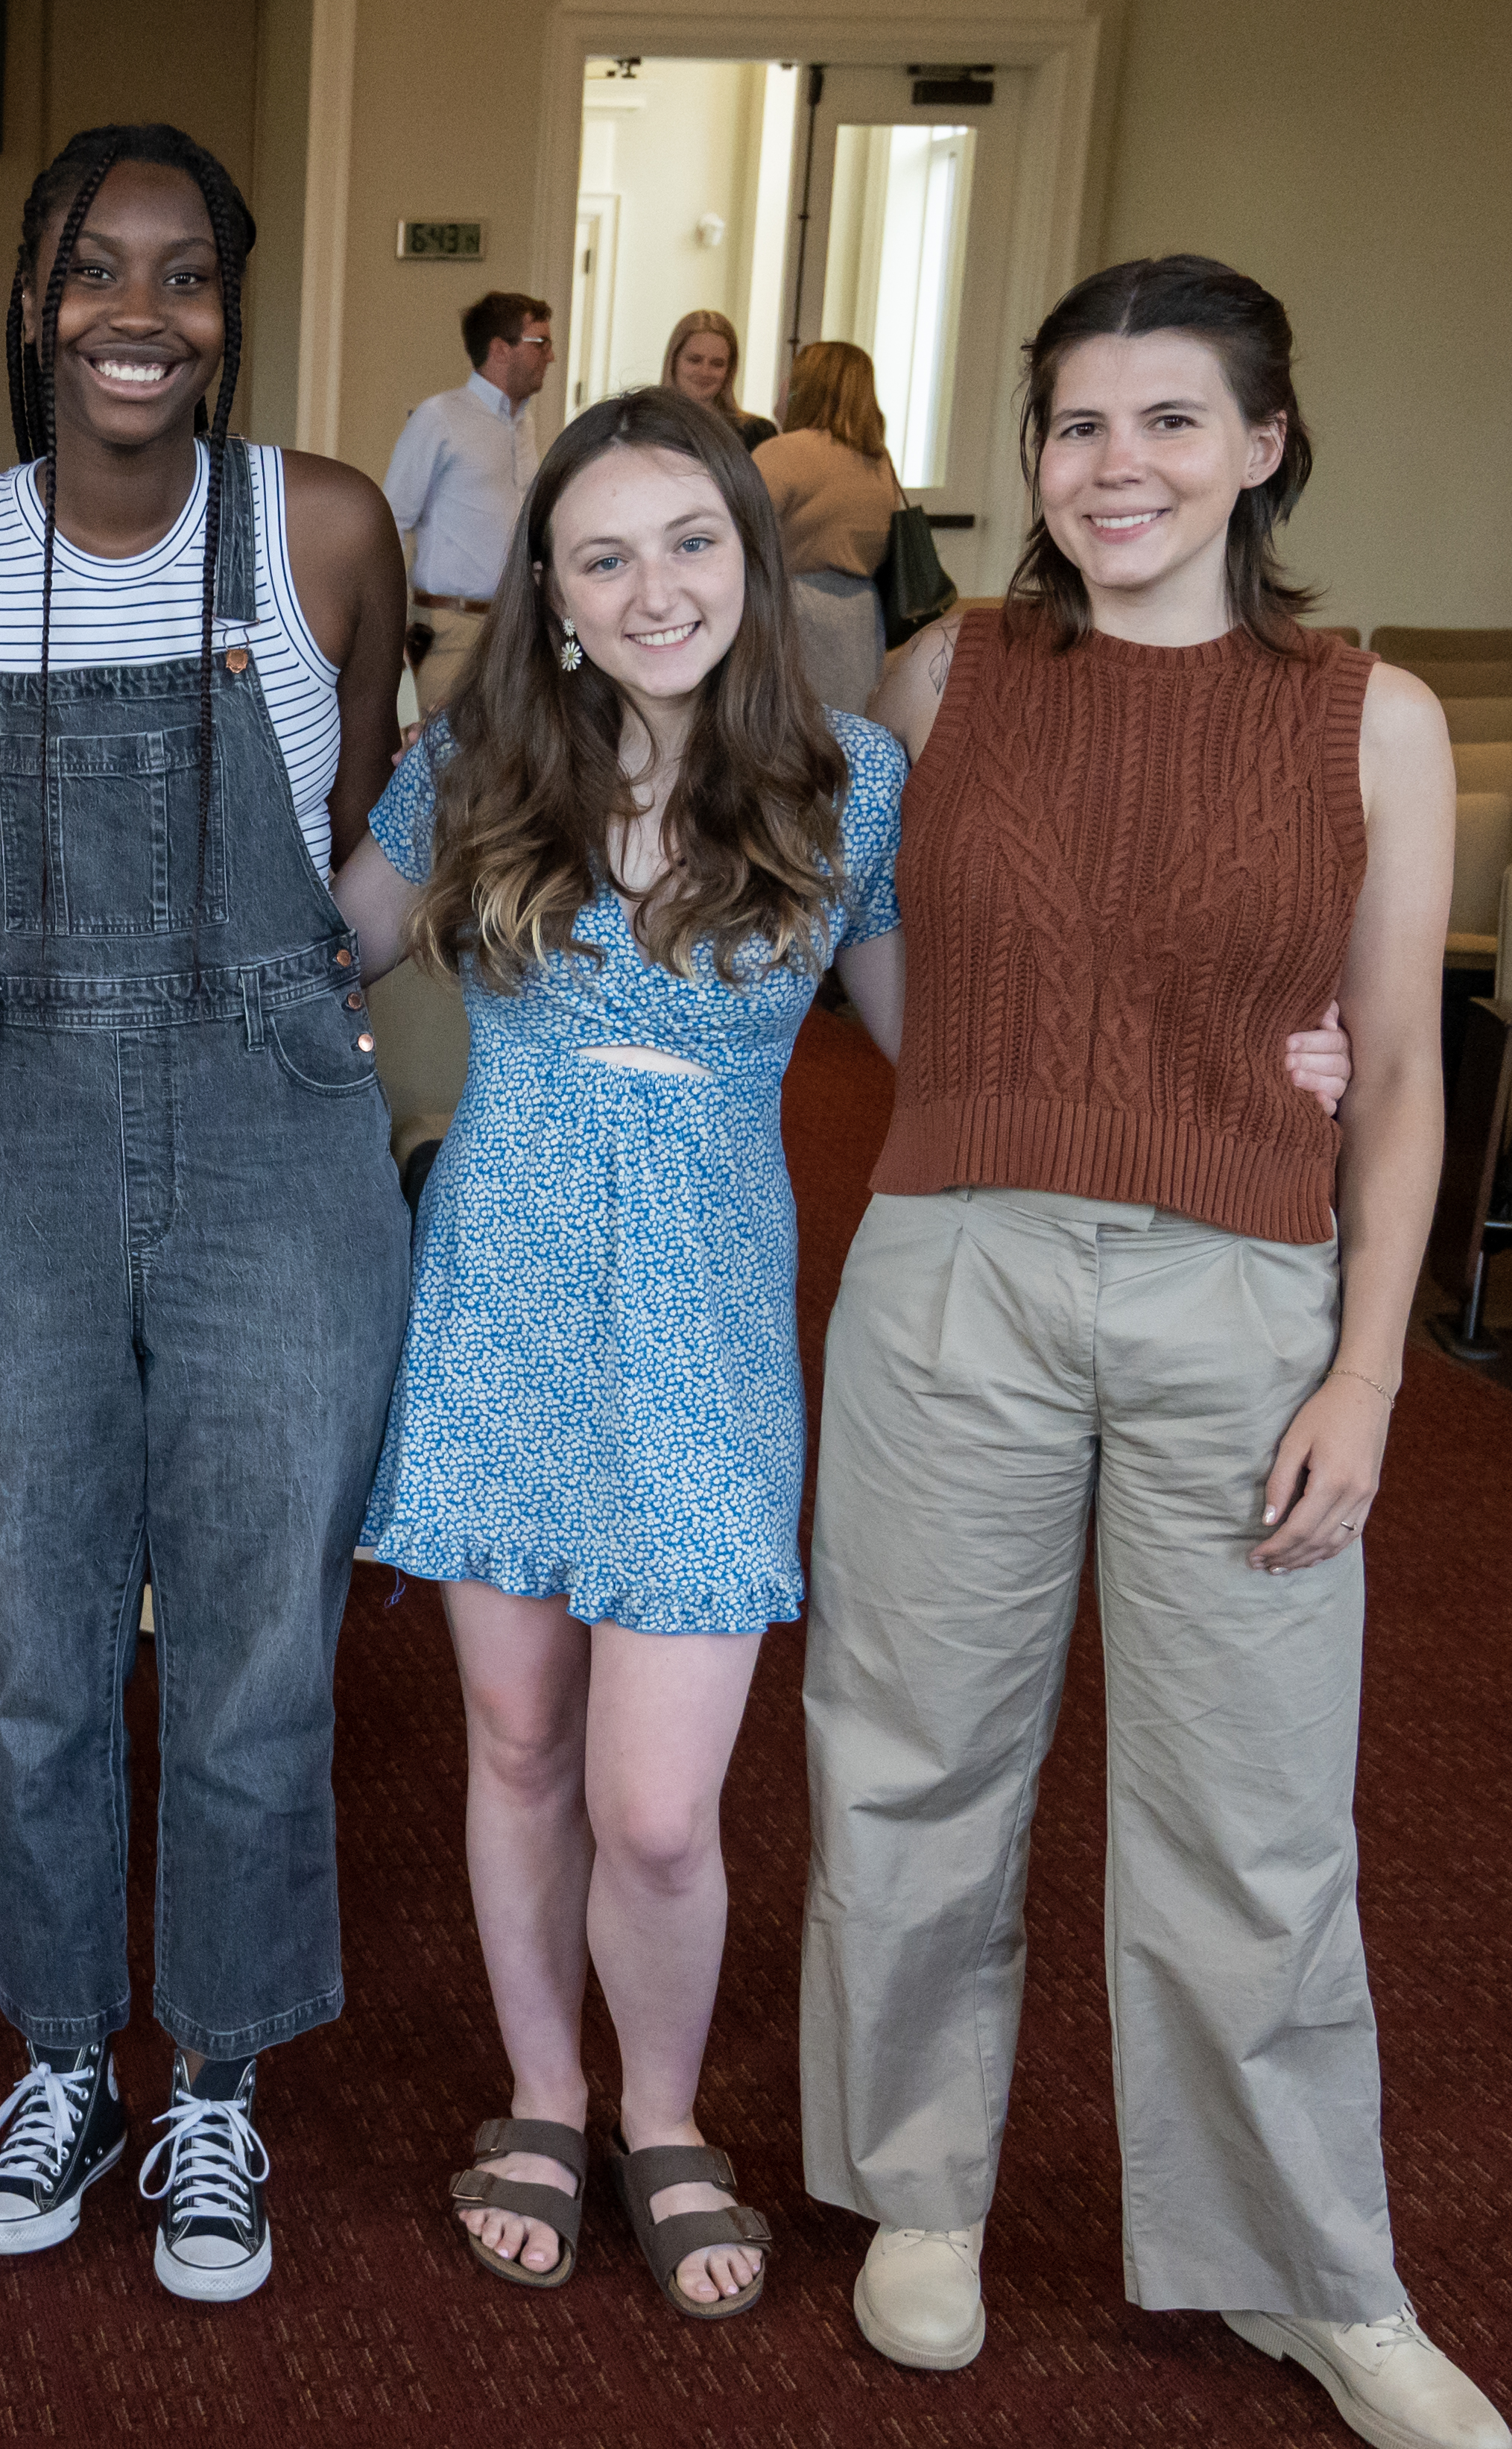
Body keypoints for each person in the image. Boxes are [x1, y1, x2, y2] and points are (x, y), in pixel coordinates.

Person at [345, 391, 1364, 2318]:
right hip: (495, 1300)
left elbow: (971, 1032)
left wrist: (1264, 1057)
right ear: (549, 597)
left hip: (709, 1324)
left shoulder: (844, 789)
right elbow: (318, 957)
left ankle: (663, 2114)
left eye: (687, 545)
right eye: (601, 555)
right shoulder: (467, 761)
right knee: (512, 1743)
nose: (652, 589)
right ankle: (542, 2097)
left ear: (747, 562)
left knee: (654, 1806)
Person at [801, 255, 1512, 2449]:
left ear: (1265, 445)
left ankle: (1312, 2260)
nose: (1119, 466)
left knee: (1256, 1804)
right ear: (1031, 458)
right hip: (956, 1269)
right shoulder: (937, 677)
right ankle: (923, 2183)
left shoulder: (1371, 714)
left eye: (1170, 421)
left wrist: (1370, 1372)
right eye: (1077, 425)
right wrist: (1045, 1084)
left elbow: (1397, 1075)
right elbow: (873, 962)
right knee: (915, 1753)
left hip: (1244, 1299)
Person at [0, 124, 412, 2304]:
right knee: (33, 1637)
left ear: (228, 313)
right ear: (29, 300)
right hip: (11, 1141)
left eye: (185, 278)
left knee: (263, 1645)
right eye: (97, 270)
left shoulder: (329, 528)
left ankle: (220, 2081)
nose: (139, 313)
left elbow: (357, 794)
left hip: (279, 1121)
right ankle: (67, 2049)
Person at [381, 291, 553, 710]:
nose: (552, 356)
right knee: (444, 764)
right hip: (450, 633)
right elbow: (391, 523)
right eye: (541, 343)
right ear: (499, 349)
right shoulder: (439, 417)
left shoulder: (524, 424)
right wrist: (393, 627)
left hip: (514, 629)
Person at [750, 342, 905, 714]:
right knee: (848, 733)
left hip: (795, 615)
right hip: (861, 619)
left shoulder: (784, 453)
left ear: (806, 387)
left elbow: (740, 536)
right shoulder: (878, 462)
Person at [660, 309, 775, 448]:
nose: (705, 372)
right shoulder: (643, 427)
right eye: (695, 360)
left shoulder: (757, 434)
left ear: (730, 370)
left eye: (717, 364)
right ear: (673, 362)